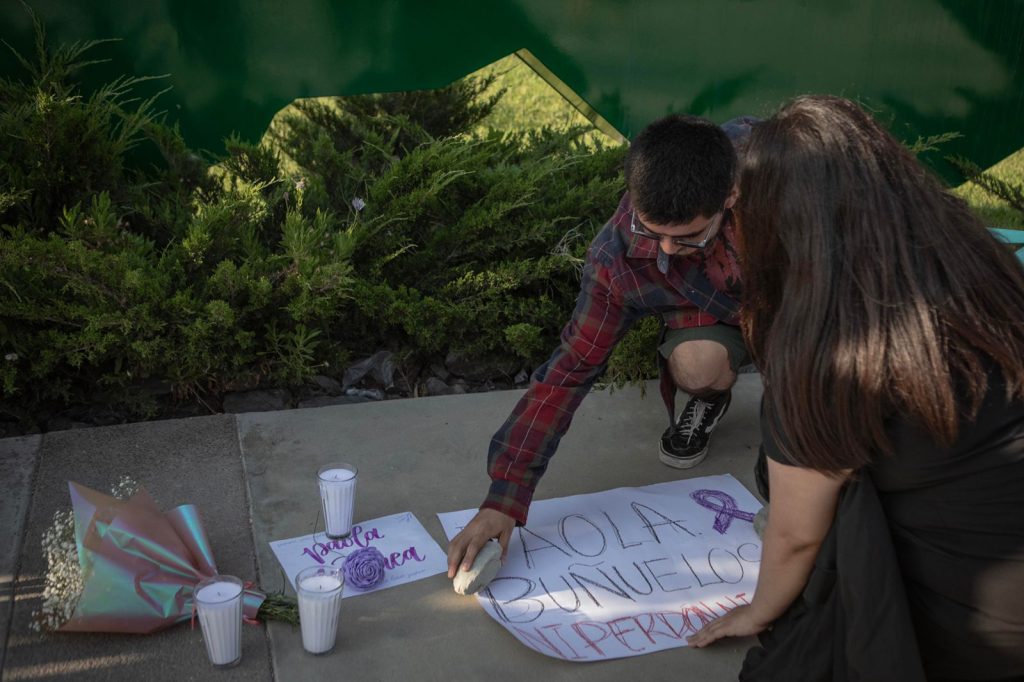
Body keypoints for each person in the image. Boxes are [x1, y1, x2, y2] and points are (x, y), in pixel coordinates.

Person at [686, 95, 1024, 681]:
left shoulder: (823, 342)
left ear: (775, 225)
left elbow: (795, 535)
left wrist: (761, 610)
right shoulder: (981, 261)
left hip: (983, 633)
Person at [446, 113, 758, 576]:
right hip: (711, 309)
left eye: (688, 236)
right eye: (654, 232)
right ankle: (712, 392)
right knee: (697, 367)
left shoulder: (786, 189)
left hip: (797, 299)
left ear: (729, 197)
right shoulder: (617, 256)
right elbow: (569, 371)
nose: (666, 250)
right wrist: (504, 497)